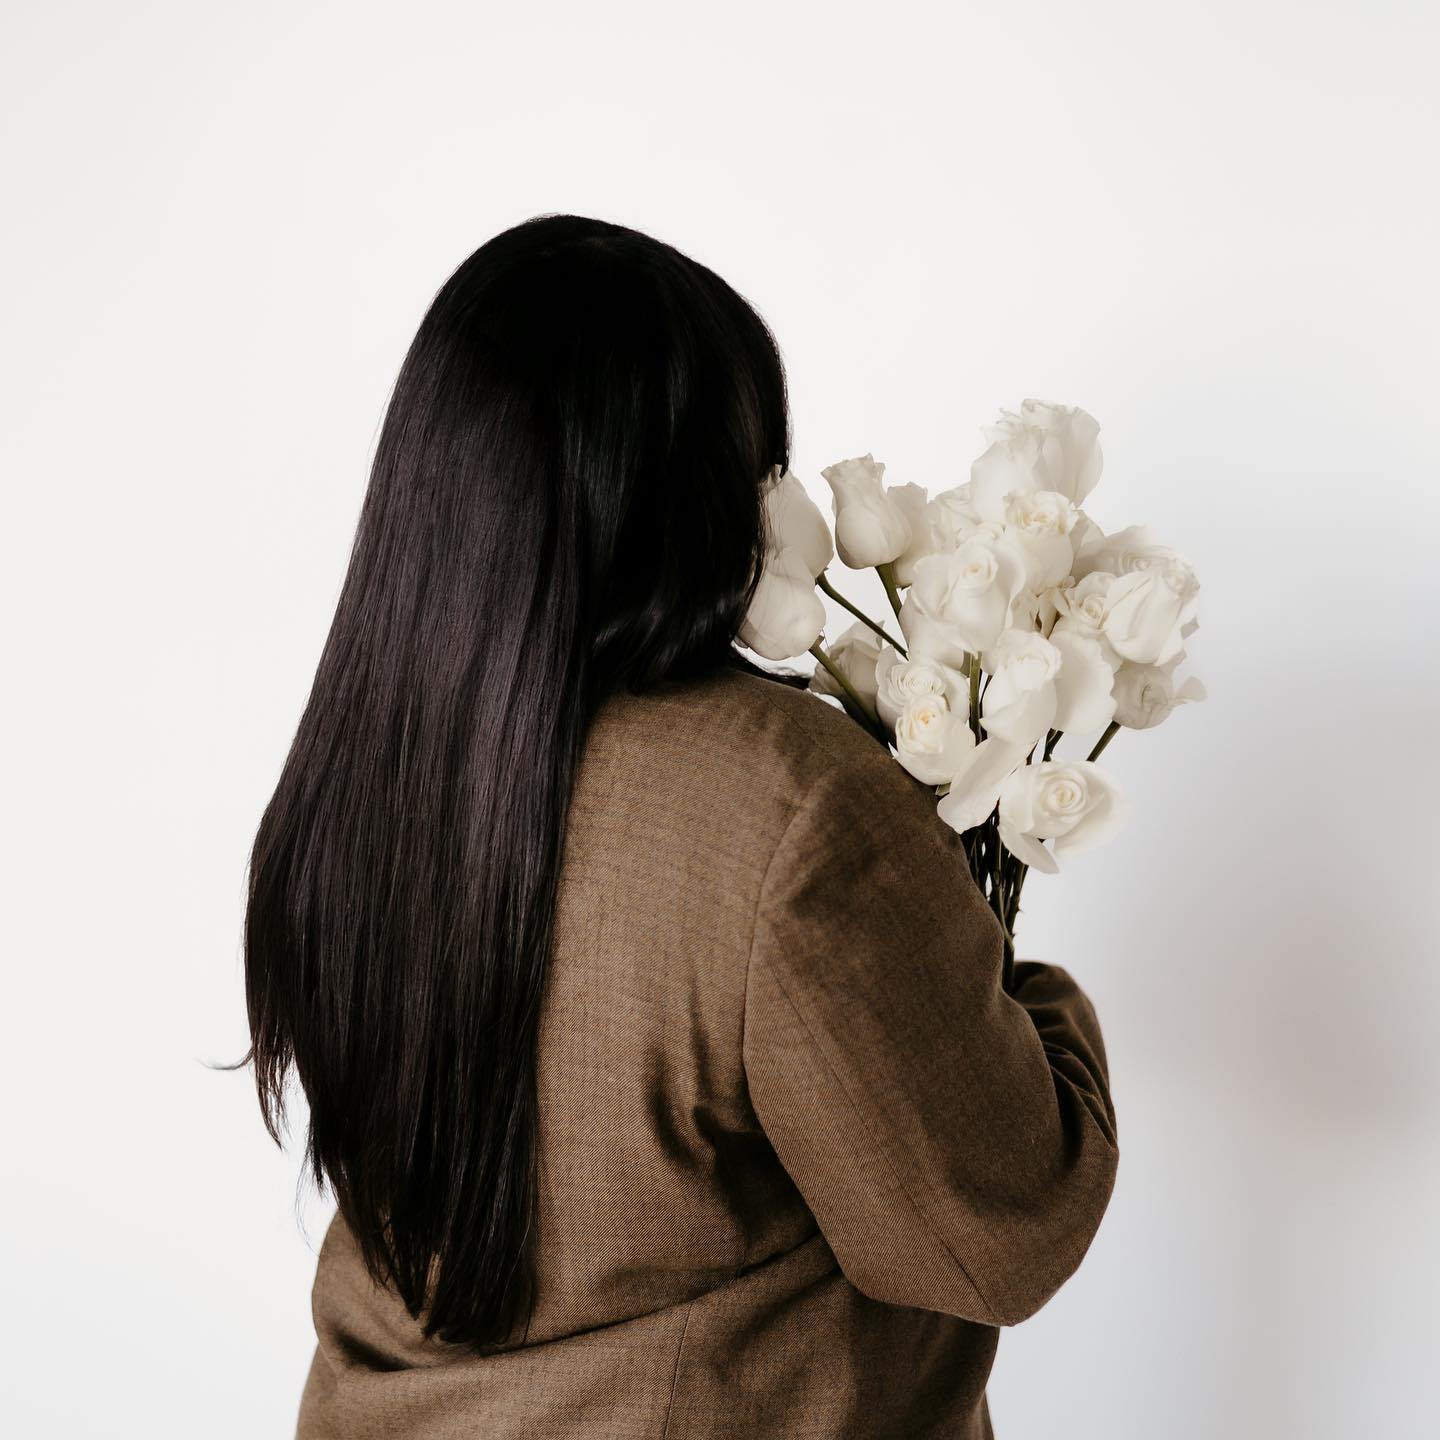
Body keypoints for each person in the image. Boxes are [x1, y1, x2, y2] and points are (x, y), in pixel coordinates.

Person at [242, 213, 1119, 1439]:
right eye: (758, 470)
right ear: (684, 494)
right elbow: (999, 1232)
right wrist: (1027, 990)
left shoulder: (352, 794)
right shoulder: (791, 803)